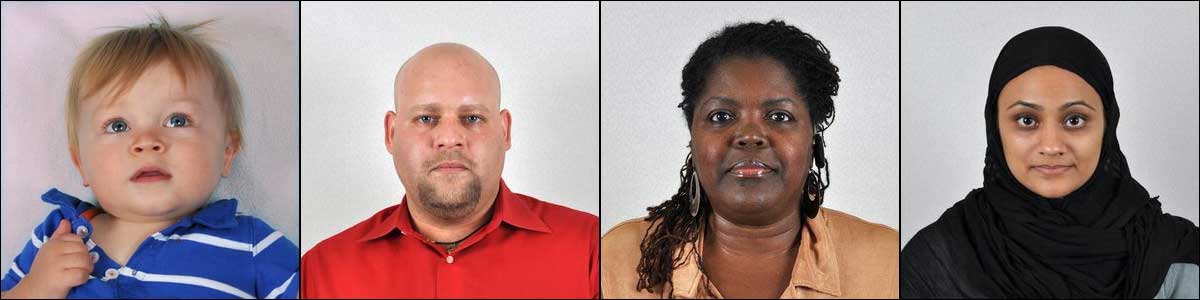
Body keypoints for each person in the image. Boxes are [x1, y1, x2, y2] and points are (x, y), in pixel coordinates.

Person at [0, 16, 298, 299]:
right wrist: (33, 289)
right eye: (117, 126)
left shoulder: (251, 245)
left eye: (177, 120)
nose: (146, 142)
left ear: (227, 151)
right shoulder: (58, 234)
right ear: (81, 164)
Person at [601, 20, 898, 299]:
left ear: (813, 138)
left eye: (779, 116)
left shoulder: (886, 264)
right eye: (722, 116)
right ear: (693, 134)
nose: (750, 135)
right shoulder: (620, 257)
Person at [900, 26, 1199, 299]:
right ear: (996, 128)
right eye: (1026, 120)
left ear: (1107, 127)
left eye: (1075, 119)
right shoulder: (937, 260)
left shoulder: (1177, 258)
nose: (1052, 145)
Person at [300, 43, 599, 298]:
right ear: (391, 133)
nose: (449, 138)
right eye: (426, 118)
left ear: (505, 131)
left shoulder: (591, 250)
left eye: (472, 118)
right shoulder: (320, 272)